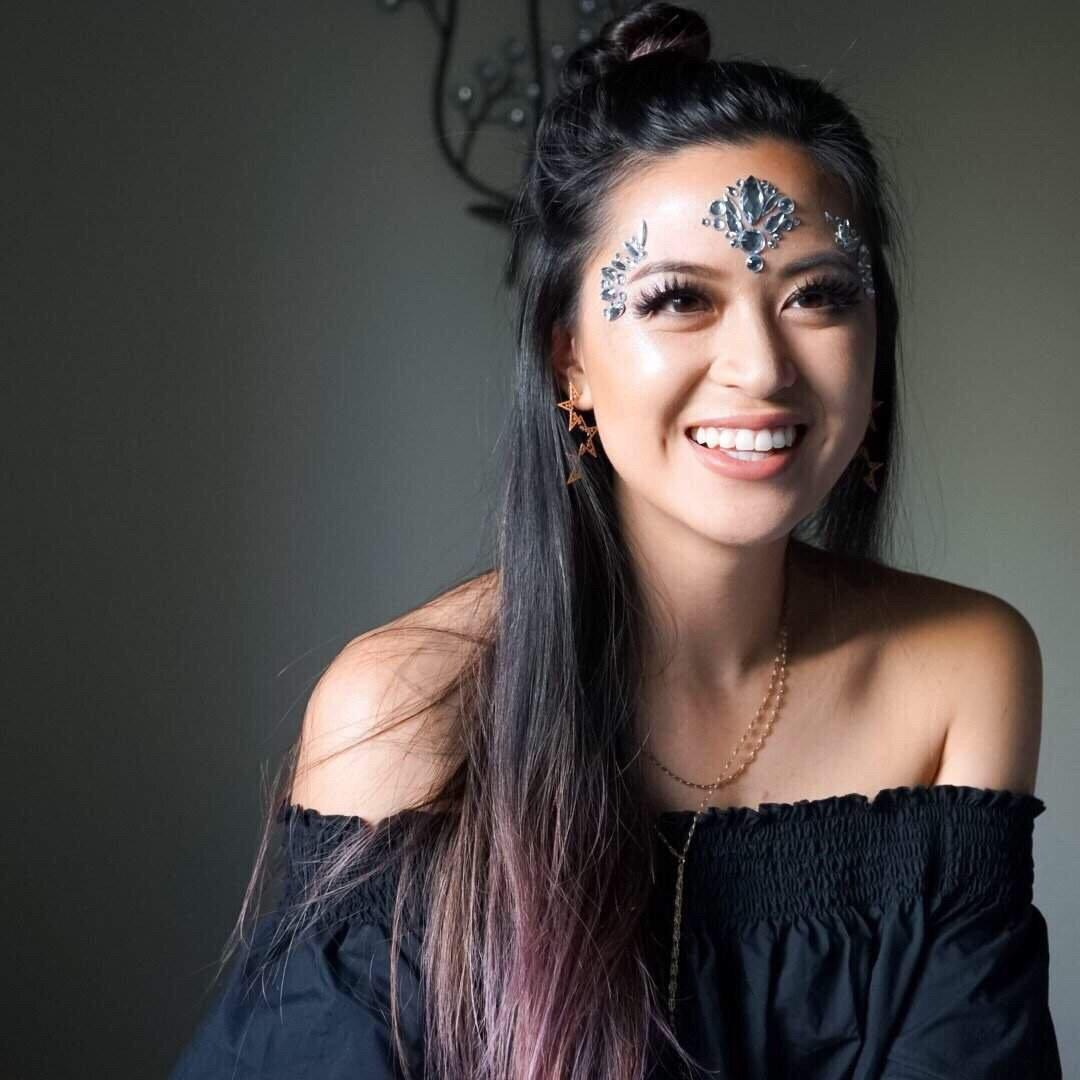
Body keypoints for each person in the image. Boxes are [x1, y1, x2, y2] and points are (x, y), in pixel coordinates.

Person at [168, 3, 1062, 1077]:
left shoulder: (961, 672)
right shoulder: (404, 711)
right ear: (570, 363)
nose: (762, 367)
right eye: (679, 298)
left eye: (817, 297)